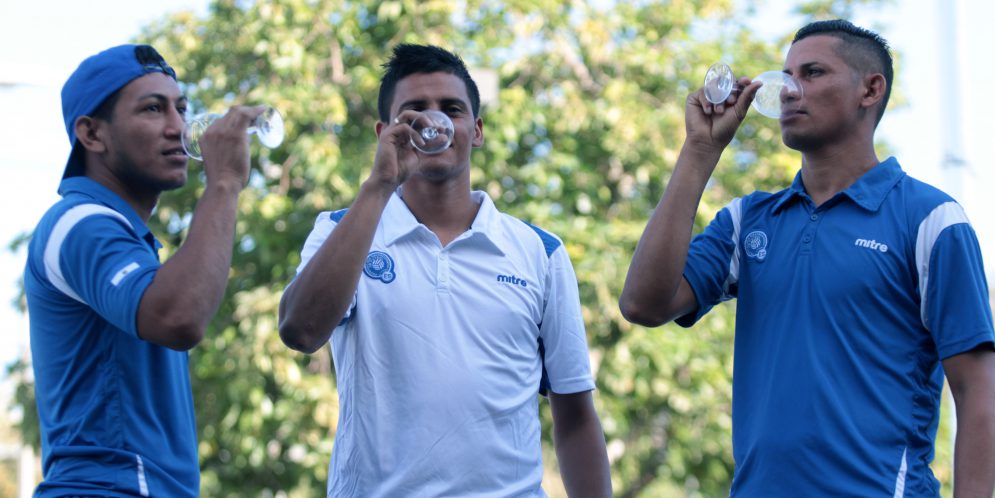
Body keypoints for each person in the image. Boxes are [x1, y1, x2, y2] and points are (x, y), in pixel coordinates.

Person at [619, 19, 995, 497]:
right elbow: (643, 304)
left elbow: (979, 392)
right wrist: (699, 151)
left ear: (870, 89)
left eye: (812, 73)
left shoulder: (931, 219)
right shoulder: (748, 220)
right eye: (786, 75)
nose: (788, 90)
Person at [278, 44, 612, 497]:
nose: (433, 122)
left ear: (477, 131)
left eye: (452, 109)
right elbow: (299, 330)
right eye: (414, 111)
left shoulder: (541, 252)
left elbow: (575, 416)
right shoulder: (341, 230)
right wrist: (379, 185)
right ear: (384, 132)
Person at [24, 44, 264, 496]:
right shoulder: (81, 223)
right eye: (153, 109)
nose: (178, 127)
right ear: (92, 134)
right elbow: (178, 317)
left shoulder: (123, 235)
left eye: (181, 108)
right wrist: (225, 183)